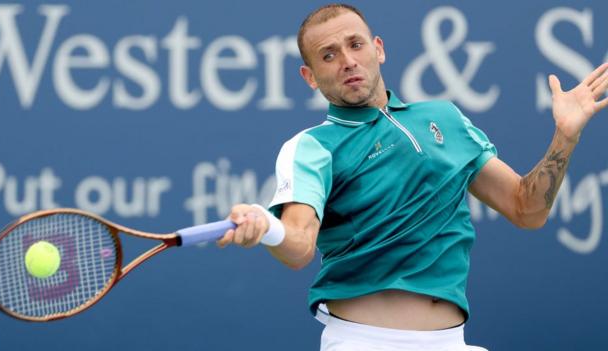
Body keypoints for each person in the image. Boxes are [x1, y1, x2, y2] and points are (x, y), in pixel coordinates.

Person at [216, 3, 608, 351]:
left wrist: (565, 136)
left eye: (356, 45)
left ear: (379, 49)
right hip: (361, 342)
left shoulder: (446, 119)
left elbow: (527, 209)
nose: (348, 61)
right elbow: (300, 244)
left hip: (452, 341)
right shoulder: (311, 147)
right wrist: (267, 226)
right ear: (310, 76)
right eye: (328, 55)